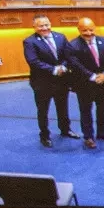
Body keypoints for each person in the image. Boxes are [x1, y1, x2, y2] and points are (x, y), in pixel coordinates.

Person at [22, 14, 75, 147]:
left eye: (47, 25)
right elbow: (33, 62)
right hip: (42, 83)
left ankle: (65, 129)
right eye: (41, 26)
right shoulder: (29, 42)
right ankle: (44, 135)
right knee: (43, 110)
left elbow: (68, 55)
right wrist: (53, 69)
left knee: (63, 107)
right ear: (34, 27)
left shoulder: (60, 37)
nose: (45, 28)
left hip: (62, 80)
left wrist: (63, 66)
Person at [65, 17, 104, 150]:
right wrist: (93, 76)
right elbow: (76, 65)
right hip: (85, 85)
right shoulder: (73, 45)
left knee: (103, 109)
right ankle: (88, 137)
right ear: (79, 30)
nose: (88, 33)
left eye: (91, 29)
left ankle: (102, 133)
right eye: (84, 30)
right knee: (86, 111)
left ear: (95, 28)